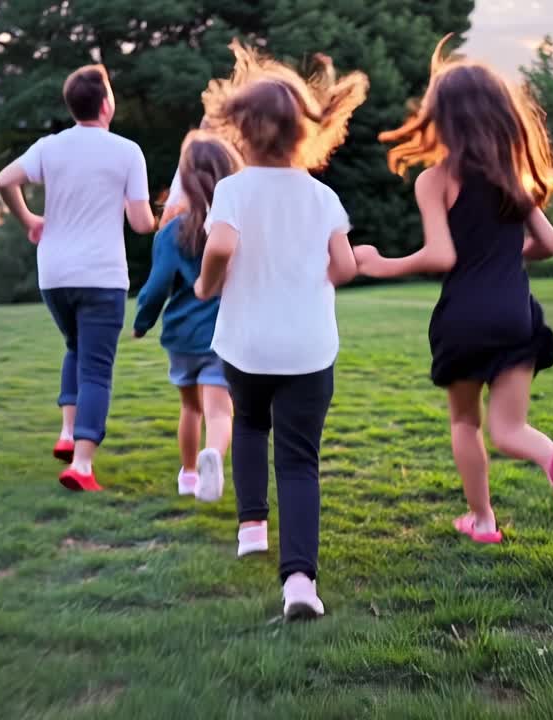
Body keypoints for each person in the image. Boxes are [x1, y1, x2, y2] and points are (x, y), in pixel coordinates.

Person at [354, 35, 553, 544]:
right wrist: (504, 257)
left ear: (442, 118)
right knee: (510, 430)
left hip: (464, 319)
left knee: (465, 423)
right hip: (516, 316)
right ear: (499, 115)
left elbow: (442, 256)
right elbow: (550, 244)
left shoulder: (435, 180)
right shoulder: (512, 179)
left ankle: (483, 521)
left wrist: (382, 265)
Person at [195, 41, 368, 620]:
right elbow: (345, 268)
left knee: (248, 423)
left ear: (241, 130)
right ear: (306, 132)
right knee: (298, 461)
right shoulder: (322, 196)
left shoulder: (233, 189)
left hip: (247, 344)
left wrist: (206, 285)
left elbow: (221, 244)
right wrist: (316, 274)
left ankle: (251, 527)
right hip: (308, 348)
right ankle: (299, 583)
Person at [0, 64, 156, 493]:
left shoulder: (49, 147)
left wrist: (30, 219)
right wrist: (161, 214)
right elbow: (141, 223)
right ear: (106, 105)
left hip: (54, 275)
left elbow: (4, 180)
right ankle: (82, 466)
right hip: (101, 276)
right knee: (97, 370)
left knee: (76, 347)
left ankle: (68, 433)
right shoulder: (127, 151)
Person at [133, 131, 242, 502]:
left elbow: (156, 287)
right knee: (219, 410)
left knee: (190, 407)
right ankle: (214, 455)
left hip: (181, 337)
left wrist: (142, 323)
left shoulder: (171, 233)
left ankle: (190, 475)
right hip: (223, 335)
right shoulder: (239, 227)